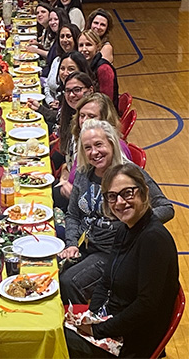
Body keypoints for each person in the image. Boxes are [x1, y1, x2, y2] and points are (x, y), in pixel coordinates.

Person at [65, 163, 179, 358]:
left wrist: (98, 330)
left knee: (55, 338)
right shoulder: (124, 229)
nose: (120, 202)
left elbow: (146, 307)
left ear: (143, 192)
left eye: (127, 193)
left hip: (132, 342)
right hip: (113, 322)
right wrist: (94, 315)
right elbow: (106, 280)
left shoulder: (153, 239)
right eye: (112, 196)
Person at [58, 119, 174, 305]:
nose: (94, 152)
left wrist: (131, 224)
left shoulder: (129, 174)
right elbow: (72, 215)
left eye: (99, 145)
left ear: (111, 143)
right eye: (87, 148)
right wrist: (71, 243)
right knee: (48, 271)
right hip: (84, 244)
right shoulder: (83, 174)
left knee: (70, 282)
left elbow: (166, 208)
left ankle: (87, 326)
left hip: (112, 252)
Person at [54, 93, 132, 213]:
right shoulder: (85, 141)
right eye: (82, 115)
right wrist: (65, 178)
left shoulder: (117, 148)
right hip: (73, 194)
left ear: (104, 119)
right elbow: (75, 171)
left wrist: (75, 193)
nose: (84, 121)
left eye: (91, 116)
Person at [42, 26, 82, 108]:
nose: (64, 40)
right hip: (52, 105)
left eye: (68, 36)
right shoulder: (57, 60)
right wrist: (50, 102)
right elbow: (47, 85)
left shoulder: (80, 62)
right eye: (62, 36)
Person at [78, 30, 119, 110]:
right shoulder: (84, 66)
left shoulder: (104, 69)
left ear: (98, 47)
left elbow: (106, 102)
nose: (84, 49)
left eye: (88, 45)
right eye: (81, 45)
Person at [38, 7, 70, 77]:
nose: (52, 22)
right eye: (50, 20)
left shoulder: (64, 42)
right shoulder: (56, 38)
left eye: (56, 19)